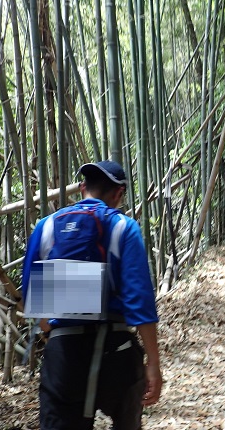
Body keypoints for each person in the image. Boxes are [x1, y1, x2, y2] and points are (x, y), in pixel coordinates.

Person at [22, 160, 162, 430]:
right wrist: (153, 364)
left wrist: (53, 334)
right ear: (119, 194)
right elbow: (140, 301)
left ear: (82, 187)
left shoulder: (47, 226)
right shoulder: (124, 227)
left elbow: (30, 296)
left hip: (64, 354)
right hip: (117, 352)